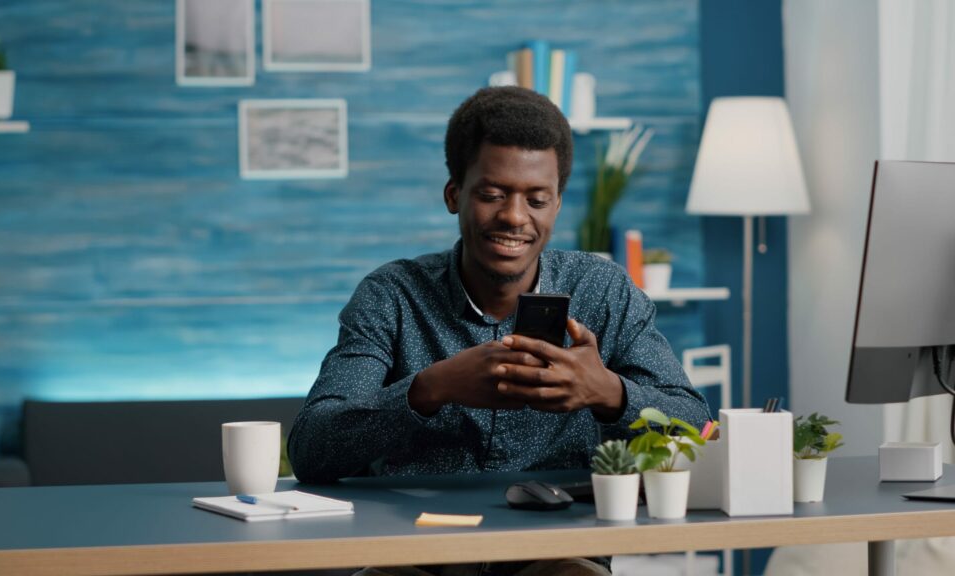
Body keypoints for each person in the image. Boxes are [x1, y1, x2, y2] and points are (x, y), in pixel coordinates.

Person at [288, 86, 711, 576]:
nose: (514, 216)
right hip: (416, 553)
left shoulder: (604, 291)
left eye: (537, 199)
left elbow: (695, 429)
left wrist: (608, 392)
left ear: (556, 206)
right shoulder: (392, 295)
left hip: (559, 551)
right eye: (492, 194)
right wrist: (430, 388)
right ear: (454, 195)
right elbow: (312, 449)